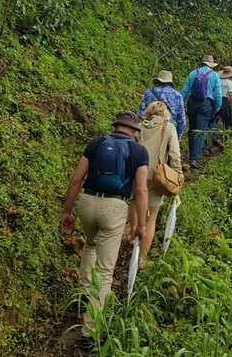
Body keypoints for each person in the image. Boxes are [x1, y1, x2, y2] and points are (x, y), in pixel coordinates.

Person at [60, 111, 149, 351]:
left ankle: (84, 293)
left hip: (87, 203)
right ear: (134, 130)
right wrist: (140, 224)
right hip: (114, 207)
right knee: (106, 271)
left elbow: (76, 179)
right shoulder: (139, 152)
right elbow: (140, 191)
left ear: (116, 126)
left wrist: (67, 211)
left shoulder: (97, 143)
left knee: (90, 244)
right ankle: (90, 332)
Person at [129, 101, 182, 269]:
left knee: (135, 205)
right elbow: (174, 154)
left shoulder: (138, 127)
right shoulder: (169, 128)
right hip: (156, 177)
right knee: (151, 218)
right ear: (165, 113)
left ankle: (132, 237)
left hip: (136, 174)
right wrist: (178, 174)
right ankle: (141, 258)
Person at [181, 54, 222, 168]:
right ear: (211, 64)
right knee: (200, 131)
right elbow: (218, 95)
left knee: (192, 130)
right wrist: (216, 108)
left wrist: (181, 104)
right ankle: (195, 159)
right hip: (205, 105)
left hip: (192, 103)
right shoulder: (214, 75)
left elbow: (185, 90)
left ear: (202, 63)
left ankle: (191, 157)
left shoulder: (193, 73)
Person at [138, 70, 186, 138]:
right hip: (168, 131)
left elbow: (140, 113)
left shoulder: (149, 92)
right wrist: (177, 137)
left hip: (149, 130)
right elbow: (181, 121)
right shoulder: (178, 96)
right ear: (170, 82)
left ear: (158, 81)